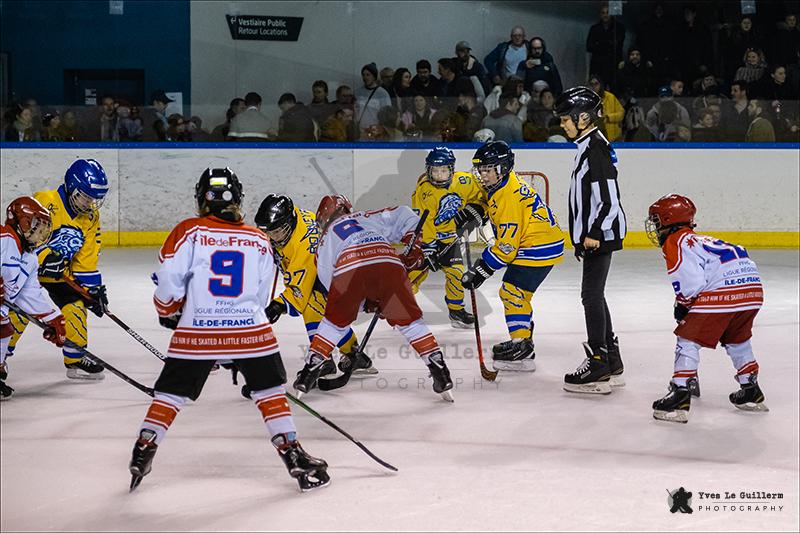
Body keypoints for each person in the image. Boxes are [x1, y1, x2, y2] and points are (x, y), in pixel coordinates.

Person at [129, 168, 329, 493]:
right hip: (250, 330)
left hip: (197, 330)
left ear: (200, 199)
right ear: (238, 199)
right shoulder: (259, 239)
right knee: (269, 392)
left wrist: (169, 312)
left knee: (171, 394)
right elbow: (262, 296)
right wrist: (237, 341)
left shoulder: (188, 230)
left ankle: (144, 448)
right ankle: (292, 453)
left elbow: (168, 281)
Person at [293, 196, 454, 401]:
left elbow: (331, 284)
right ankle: (439, 370)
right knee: (411, 324)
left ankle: (309, 373)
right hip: (388, 262)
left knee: (333, 324)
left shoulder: (324, 240)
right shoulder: (366, 217)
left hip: (348, 268)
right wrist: (413, 247)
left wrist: (364, 303)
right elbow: (406, 214)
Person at [646, 195, 767, 423]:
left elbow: (691, 283)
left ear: (668, 219)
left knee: (687, 338)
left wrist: (684, 305)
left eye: (656, 221)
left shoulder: (675, 241)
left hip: (724, 291)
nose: (655, 226)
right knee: (737, 338)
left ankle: (680, 393)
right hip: (752, 291)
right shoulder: (701, 239)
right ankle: (751, 389)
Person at [462, 141, 564, 371]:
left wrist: (481, 270)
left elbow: (507, 247)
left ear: (503, 168)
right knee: (518, 293)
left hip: (537, 246)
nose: (483, 175)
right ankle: (523, 338)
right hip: (544, 242)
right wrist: (479, 209)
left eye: (488, 170)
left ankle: (522, 349)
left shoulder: (508, 195)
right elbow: (493, 204)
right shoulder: (505, 183)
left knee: (512, 291)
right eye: (481, 170)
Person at [6, 159, 110, 380]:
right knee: (19, 312)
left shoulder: (91, 217)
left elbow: (86, 259)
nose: (89, 204)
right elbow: (25, 234)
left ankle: (75, 357)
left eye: (93, 199)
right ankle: (0, 358)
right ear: (72, 186)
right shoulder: (46, 201)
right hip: (29, 270)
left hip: (60, 274)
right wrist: (44, 256)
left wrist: (92, 290)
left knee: (76, 307)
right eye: (85, 197)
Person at [254, 194, 374, 381]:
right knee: (317, 305)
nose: (272, 238)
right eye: (268, 232)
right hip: (335, 270)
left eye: (276, 232)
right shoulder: (292, 221)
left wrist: (278, 306)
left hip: (347, 277)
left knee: (311, 303)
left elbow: (299, 291)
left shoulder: (304, 244)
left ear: (288, 224)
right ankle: (353, 354)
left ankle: (325, 358)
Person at [554, 87, 626, 394]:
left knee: (591, 296)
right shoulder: (587, 146)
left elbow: (608, 199)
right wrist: (582, 238)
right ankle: (611, 359)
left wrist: (594, 233)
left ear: (583, 118)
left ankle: (598, 362)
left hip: (601, 235)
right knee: (595, 294)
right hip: (596, 235)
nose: (562, 125)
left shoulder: (595, 147)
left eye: (565, 119)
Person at [410, 147, 484, 329]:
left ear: (452, 169)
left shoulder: (465, 181)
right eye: (435, 171)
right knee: (414, 274)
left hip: (451, 238)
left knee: (457, 273)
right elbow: (423, 221)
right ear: (428, 170)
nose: (439, 175)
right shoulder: (424, 190)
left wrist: (476, 210)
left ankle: (456, 311)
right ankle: (401, 307)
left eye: (443, 170)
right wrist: (428, 248)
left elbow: (482, 196)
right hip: (426, 240)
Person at [1, 197, 67, 399]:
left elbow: (29, 293)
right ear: (22, 222)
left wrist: (52, 318)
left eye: (43, 228)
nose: (40, 233)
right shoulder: (3, 238)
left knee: (5, 328)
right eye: (37, 226)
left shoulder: (30, 258)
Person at [586, 3, 626, 92]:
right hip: (598, 65)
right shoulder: (594, 28)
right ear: (600, 15)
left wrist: (600, 44)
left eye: (607, 12)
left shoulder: (618, 28)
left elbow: (618, 46)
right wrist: (607, 44)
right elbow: (589, 46)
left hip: (613, 64)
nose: (605, 15)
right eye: (603, 13)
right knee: (597, 90)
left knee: (614, 89)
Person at [589, 75, 624, 141]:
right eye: (591, 84)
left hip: (613, 137)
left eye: (596, 84)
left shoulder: (610, 97)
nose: (594, 86)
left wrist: (608, 117)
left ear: (601, 85)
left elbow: (621, 114)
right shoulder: (588, 100)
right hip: (595, 136)